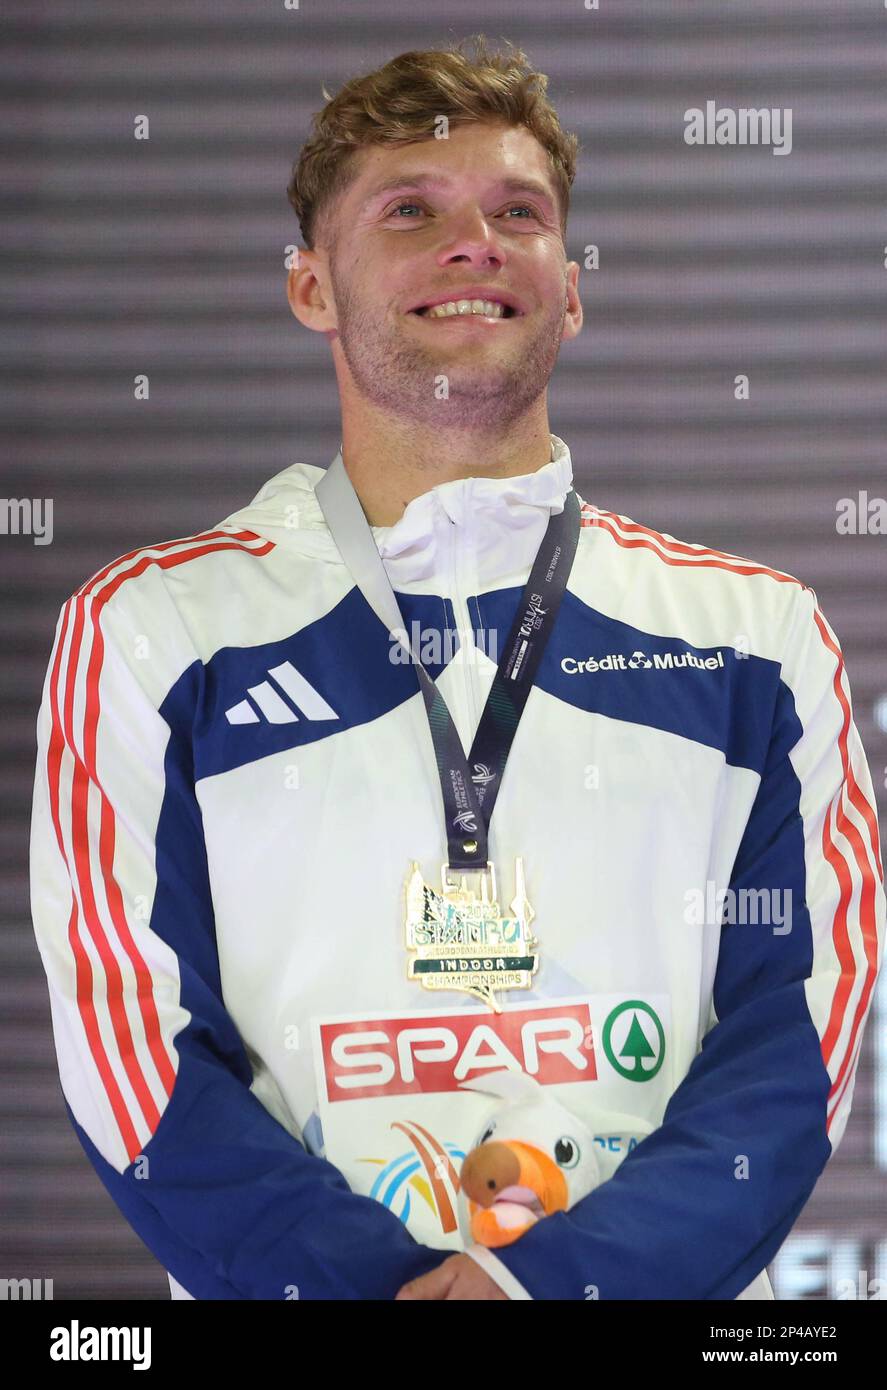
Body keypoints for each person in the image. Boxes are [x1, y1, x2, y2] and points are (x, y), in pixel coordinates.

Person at [29, 34, 885, 1302]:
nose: (472, 242)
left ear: (571, 288)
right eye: (410, 211)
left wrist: (552, 1287)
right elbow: (130, 1046)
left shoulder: (752, 636)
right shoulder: (152, 630)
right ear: (311, 287)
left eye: (517, 214)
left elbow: (793, 1031)